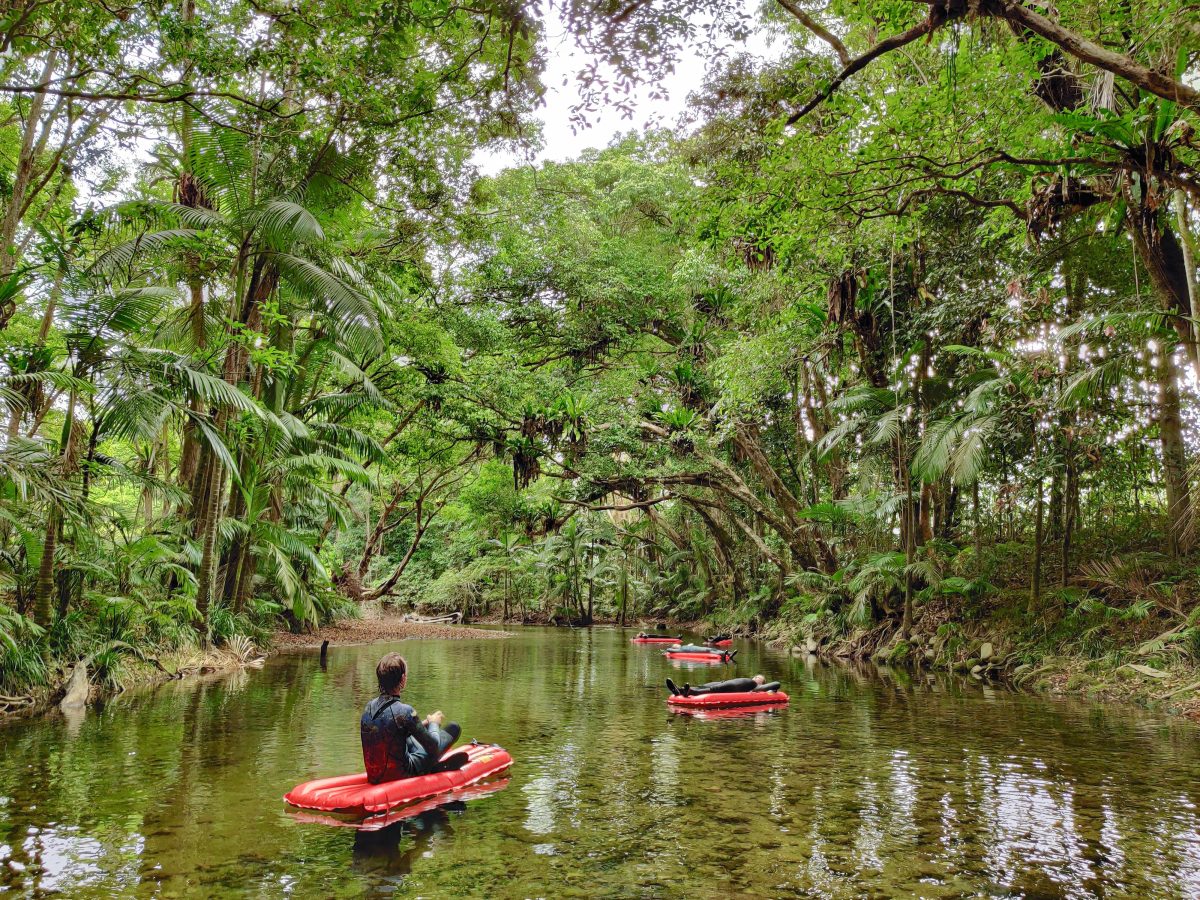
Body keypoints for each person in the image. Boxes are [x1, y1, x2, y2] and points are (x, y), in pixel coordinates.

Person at [361, 652, 467, 784]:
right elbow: (434, 747)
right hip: (402, 775)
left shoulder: (368, 707)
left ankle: (431, 765)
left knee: (411, 735)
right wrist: (433, 723)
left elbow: (390, 732)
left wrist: (423, 724)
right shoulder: (405, 711)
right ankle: (432, 768)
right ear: (403, 679)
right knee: (453, 728)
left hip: (375, 777)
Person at [665, 674, 781, 697]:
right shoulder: (748, 681)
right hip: (729, 683)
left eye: (759, 678)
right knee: (705, 685)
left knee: (715, 688)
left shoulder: (755, 686)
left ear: (763, 683)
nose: (756, 678)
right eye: (755, 677)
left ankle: (691, 692)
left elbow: (776, 684)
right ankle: (679, 690)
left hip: (738, 687)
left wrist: (770, 690)